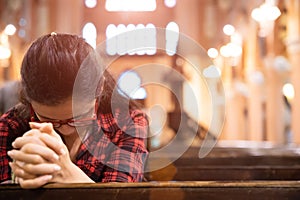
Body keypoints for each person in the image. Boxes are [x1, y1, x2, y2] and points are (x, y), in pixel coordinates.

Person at [0, 33, 149, 188]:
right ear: (28, 99)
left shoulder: (126, 122)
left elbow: (122, 196)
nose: (65, 129)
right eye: (48, 120)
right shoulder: (10, 126)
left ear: (100, 86)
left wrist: (67, 173)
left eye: (77, 118)